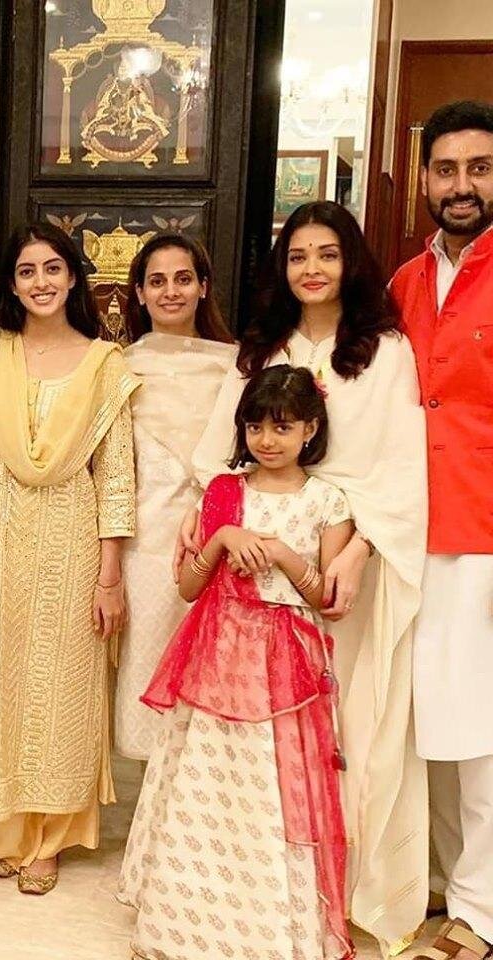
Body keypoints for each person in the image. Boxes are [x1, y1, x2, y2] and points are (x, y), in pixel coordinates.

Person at [184, 201, 429, 954]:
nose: (312, 269)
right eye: (297, 255)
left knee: (350, 730)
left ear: (350, 262)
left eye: (327, 254)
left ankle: (342, 892)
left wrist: (356, 551)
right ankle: (259, 890)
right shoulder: (263, 347)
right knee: (262, 740)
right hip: (258, 569)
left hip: (351, 561)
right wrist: (207, 519)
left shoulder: (385, 350)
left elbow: (402, 466)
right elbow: (220, 450)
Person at [120, 365, 355, 960]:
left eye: (283, 427)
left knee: (269, 795)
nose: (267, 440)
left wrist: (281, 554)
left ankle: (263, 932)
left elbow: (329, 602)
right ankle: (182, 924)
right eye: (255, 427)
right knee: (204, 786)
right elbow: (188, 589)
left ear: (310, 429)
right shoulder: (225, 491)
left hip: (286, 670)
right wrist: (223, 538)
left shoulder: (327, 502)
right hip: (218, 660)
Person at [0, 222, 138, 895]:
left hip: (72, 545)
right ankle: (9, 831)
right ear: (12, 285)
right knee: (6, 684)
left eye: (52, 269)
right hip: (1, 543)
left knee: (64, 689)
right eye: (26, 271)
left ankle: (53, 837)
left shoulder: (105, 364)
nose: (40, 282)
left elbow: (117, 476)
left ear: (73, 276)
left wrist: (109, 576)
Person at [391, 100, 493, 960]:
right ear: (425, 179)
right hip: (407, 530)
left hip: (482, 531)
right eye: (448, 169)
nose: (462, 186)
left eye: (480, 169)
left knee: (481, 730)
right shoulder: (403, 283)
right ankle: (435, 879)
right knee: (421, 720)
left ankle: (483, 910)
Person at [114, 232, 236, 762]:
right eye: (157, 281)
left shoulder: (236, 367)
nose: (170, 292)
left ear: (203, 287)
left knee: (213, 680)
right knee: (147, 680)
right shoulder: (119, 367)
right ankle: (150, 802)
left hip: (216, 539)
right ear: (139, 293)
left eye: (183, 279)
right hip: (145, 543)